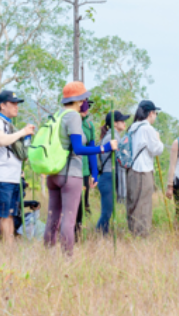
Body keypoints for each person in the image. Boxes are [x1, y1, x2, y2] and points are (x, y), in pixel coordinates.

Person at [44, 82, 115, 255]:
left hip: (53, 172)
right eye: (84, 98)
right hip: (70, 173)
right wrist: (104, 148)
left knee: (52, 217)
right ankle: (67, 258)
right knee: (69, 218)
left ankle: (47, 257)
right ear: (78, 100)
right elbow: (78, 148)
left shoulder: (56, 115)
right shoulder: (74, 117)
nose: (86, 101)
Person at [0, 90, 36, 246]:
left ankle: (8, 248)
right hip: (0, 177)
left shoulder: (9, 125)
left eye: (17, 104)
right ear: (2, 105)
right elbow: (0, 140)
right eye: (13, 103)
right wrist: (22, 132)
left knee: (9, 215)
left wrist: (26, 137)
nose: (16, 107)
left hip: (12, 178)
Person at [125, 100, 165, 237]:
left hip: (131, 171)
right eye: (155, 113)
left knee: (133, 203)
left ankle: (132, 232)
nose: (155, 116)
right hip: (143, 171)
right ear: (151, 113)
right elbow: (157, 149)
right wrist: (158, 139)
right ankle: (141, 236)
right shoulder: (147, 129)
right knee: (143, 204)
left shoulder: (133, 127)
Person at [96, 110, 130, 234]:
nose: (124, 123)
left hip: (109, 177)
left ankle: (103, 235)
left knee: (108, 211)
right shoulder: (113, 137)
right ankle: (100, 236)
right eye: (122, 120)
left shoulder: (114, 135)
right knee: (107, 212)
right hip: (108, 177)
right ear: (114, 123)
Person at [75, 100, 98, 238]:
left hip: (83, 172)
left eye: (88, 106)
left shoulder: (89, 126)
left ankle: (76, 237)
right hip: (67, 172)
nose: (86, 109)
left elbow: (91, 150)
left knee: (80, 207)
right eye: (83, 106)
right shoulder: (67, 120)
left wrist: (94, 173)